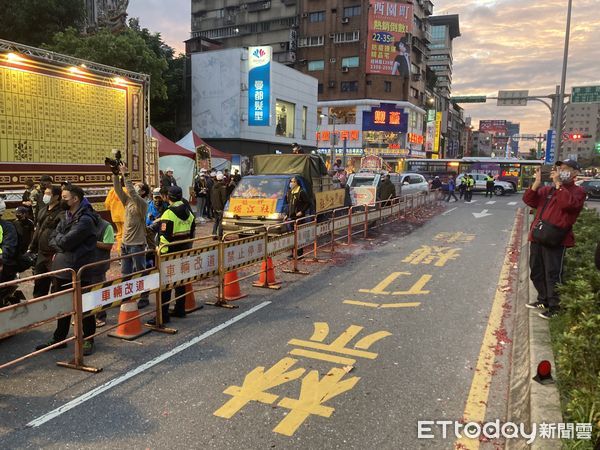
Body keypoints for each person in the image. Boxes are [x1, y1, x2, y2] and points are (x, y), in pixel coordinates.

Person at [36, 184, 98, 355]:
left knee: (84, 306)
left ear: (75, 199)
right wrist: (60, 242)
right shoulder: (66, 215)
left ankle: (88, 338)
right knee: (62, 306)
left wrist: (60, 242)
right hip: (62, 269)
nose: (62, 200)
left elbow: (63, 242)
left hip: (79, 270)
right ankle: (59, 338)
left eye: (65, 197)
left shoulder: (85, 220)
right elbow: (52, 238)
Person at [523, 160, 586, 319]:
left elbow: (568, 205)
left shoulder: (577, 191)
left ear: (575, 173)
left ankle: (556, 307)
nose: (560, 171)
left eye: (565, 169)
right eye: (559, 168)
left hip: (556, 238)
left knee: (553, 273)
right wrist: (536, 183)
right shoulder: (548, 190)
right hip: (538, 235)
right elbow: (530, 200)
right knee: (536, 270)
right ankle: (543, 300)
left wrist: (559, 184)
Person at [148, 186, 195, 325]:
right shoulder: (188, 212)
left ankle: (163, 316)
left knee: (165, 286)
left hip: (169, 253)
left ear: (168, 197)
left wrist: (160, 254)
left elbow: (165, 237)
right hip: (183, 251)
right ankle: (180, 309)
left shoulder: (169, 213)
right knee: (180, 282)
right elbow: (192, 232)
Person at [113, 165, 149, 308]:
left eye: (138, 186)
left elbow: (132, 192)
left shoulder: (142, 203)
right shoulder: (127, 202)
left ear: (144, 191)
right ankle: (126, 297)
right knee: (125, 272)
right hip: (125, 243)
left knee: (140, 271)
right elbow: (117, 189)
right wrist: (115, 174)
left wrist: (125, 174)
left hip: (137, 243)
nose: (134, 187)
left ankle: (144, 297)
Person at [28, 185, 62, 298]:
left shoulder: (61, 212)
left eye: (48, 194)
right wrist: (32, 246)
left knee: (56, 284)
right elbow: (38, 229)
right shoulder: (42, 210)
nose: (45, 196)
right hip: (41, 252)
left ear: (57, 196)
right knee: (39, 282)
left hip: (54, 254)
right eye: (45, 193)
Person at [286, 177, 310, 257]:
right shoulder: (290, 192)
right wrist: (287, 214)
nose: (291, 183)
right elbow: (289, 205)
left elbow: (308, 203)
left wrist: (302, 211)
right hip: (291, 218)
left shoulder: (301, 192)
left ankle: (299, 253)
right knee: (292, 236)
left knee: (298, 235)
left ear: (297, 183)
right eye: (291, 182)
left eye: (293, 182)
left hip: (298, 218)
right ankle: (293, 253)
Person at [104, 184, 125, 254]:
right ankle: (123, 252)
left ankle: (119, 252)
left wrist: (112, 209)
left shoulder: (112, 190)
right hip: (125, 216)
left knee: (119, 234)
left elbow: (107, 203)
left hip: (115, 216)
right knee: (125, 234)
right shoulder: (127, 190)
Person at [210, 172, 227, 239]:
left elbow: (211, 197)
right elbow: (224, 198)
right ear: (222, 179)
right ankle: (220, 235)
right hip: (220, 207)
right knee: (221, 221)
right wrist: (224, 207)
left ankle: (214, 234)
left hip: (214, 206)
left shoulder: (214, 186)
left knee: (216, 221)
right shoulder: (223, 187)